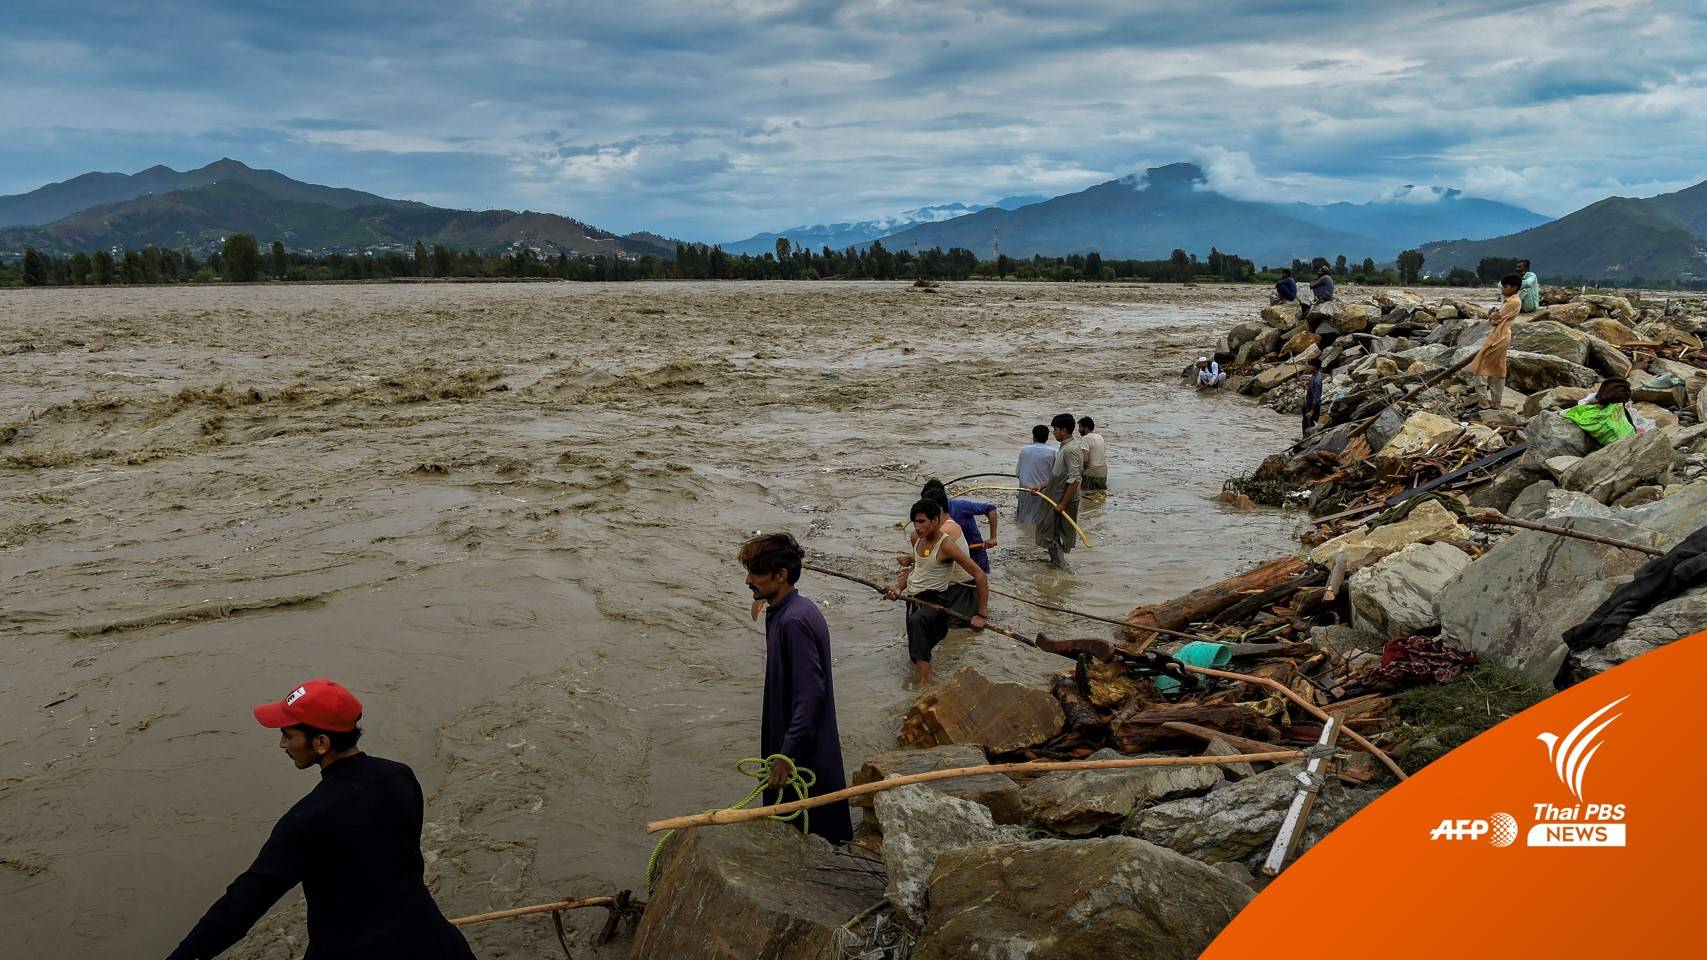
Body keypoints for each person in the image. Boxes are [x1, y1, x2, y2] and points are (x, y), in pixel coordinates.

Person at [165, 680, 475, 960]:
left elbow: (243, 905)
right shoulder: (399, 776)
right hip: (436, 944)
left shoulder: (307, 820)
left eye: (289, 735)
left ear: (322, 743)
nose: (282, 744)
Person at [739, 533, 853, 842]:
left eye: (755, 573)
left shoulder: (793, 622)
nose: (748, 580)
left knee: (807, 829)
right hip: (797, 738)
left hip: (803, 751)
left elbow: (810, 693)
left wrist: (786, 755)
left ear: (781, 576)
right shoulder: (789, 611)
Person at [886, 498, 989, 685]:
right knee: (916, 652)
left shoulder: (946, 545)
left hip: (936, 603)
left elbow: (980, 575)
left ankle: (924, 687)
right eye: (915, 521)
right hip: (915, 601)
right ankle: (927, 680)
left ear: (935, 521)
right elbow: (919, 569)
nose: (917, 527)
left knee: (917, 628)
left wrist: (981, 614)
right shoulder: (917, 540)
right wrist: (897, 588)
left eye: (922, 521)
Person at [1031, 413, 1083, 570]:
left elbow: (1074, 479)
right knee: (1048, 531)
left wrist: (1063, 504)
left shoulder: (1071, 450)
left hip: (1062, 499)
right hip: (1054, 495)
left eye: (1055, 430)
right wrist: (1043, 485)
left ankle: (1061, 568)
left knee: (1053, 534)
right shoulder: (1064, 446)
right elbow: (1060, 474)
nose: (1053, 433)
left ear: (1064, 430)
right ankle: (1056, 563)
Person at [921, 478, 998, 572]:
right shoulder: (930, 516)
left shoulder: (960, 507)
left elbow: (990, 509)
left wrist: (993, 537)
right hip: (952, 556)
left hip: (974, 554)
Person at [1470, 274, 1522, 409]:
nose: (1503, 289)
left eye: (1505, 287)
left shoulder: (1512, 302)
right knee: (1498, 368)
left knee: (1480, 368)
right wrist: (1492, 316)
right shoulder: (1513, 301)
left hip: (1498, 337)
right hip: (1503, 336)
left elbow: (1495, 320)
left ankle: (1483, 403)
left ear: (1514, 287)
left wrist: (1491, 316)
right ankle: (1496, 402)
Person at [1015, 425, 1054, 537]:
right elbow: (1056, 475)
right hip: (1043, 492)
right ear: (1047, 437)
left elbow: (1018, 473)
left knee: (1023, 519)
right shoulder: (1054, 452)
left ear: (1033, 436)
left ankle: (1025, 540)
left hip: (1024, 490)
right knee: (1040, 521)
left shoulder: (1024, 450)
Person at [1078, 416, 1108, 491]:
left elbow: (1085, 460)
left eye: (1080, 427)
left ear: (1086, 428)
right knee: (1099, 498)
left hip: (1091, 474)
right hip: (1103, 473)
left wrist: (1082, 471)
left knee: (1087, 499)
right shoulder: (1100, 437)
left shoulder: (1085, 438)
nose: (1079, 430)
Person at [1301, 358, 1324, 436]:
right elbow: (1312, 385)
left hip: (1311, 407)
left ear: (1313, 366)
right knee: (1306, 422)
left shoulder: (1317, 380)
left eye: (1308, 366)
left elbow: (1316, 398)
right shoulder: (1315, 375)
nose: (1307, 368)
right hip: (1308, 404)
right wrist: (1308, 383)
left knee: (1307, 424)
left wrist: (1312, 411)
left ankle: (1307, 441)